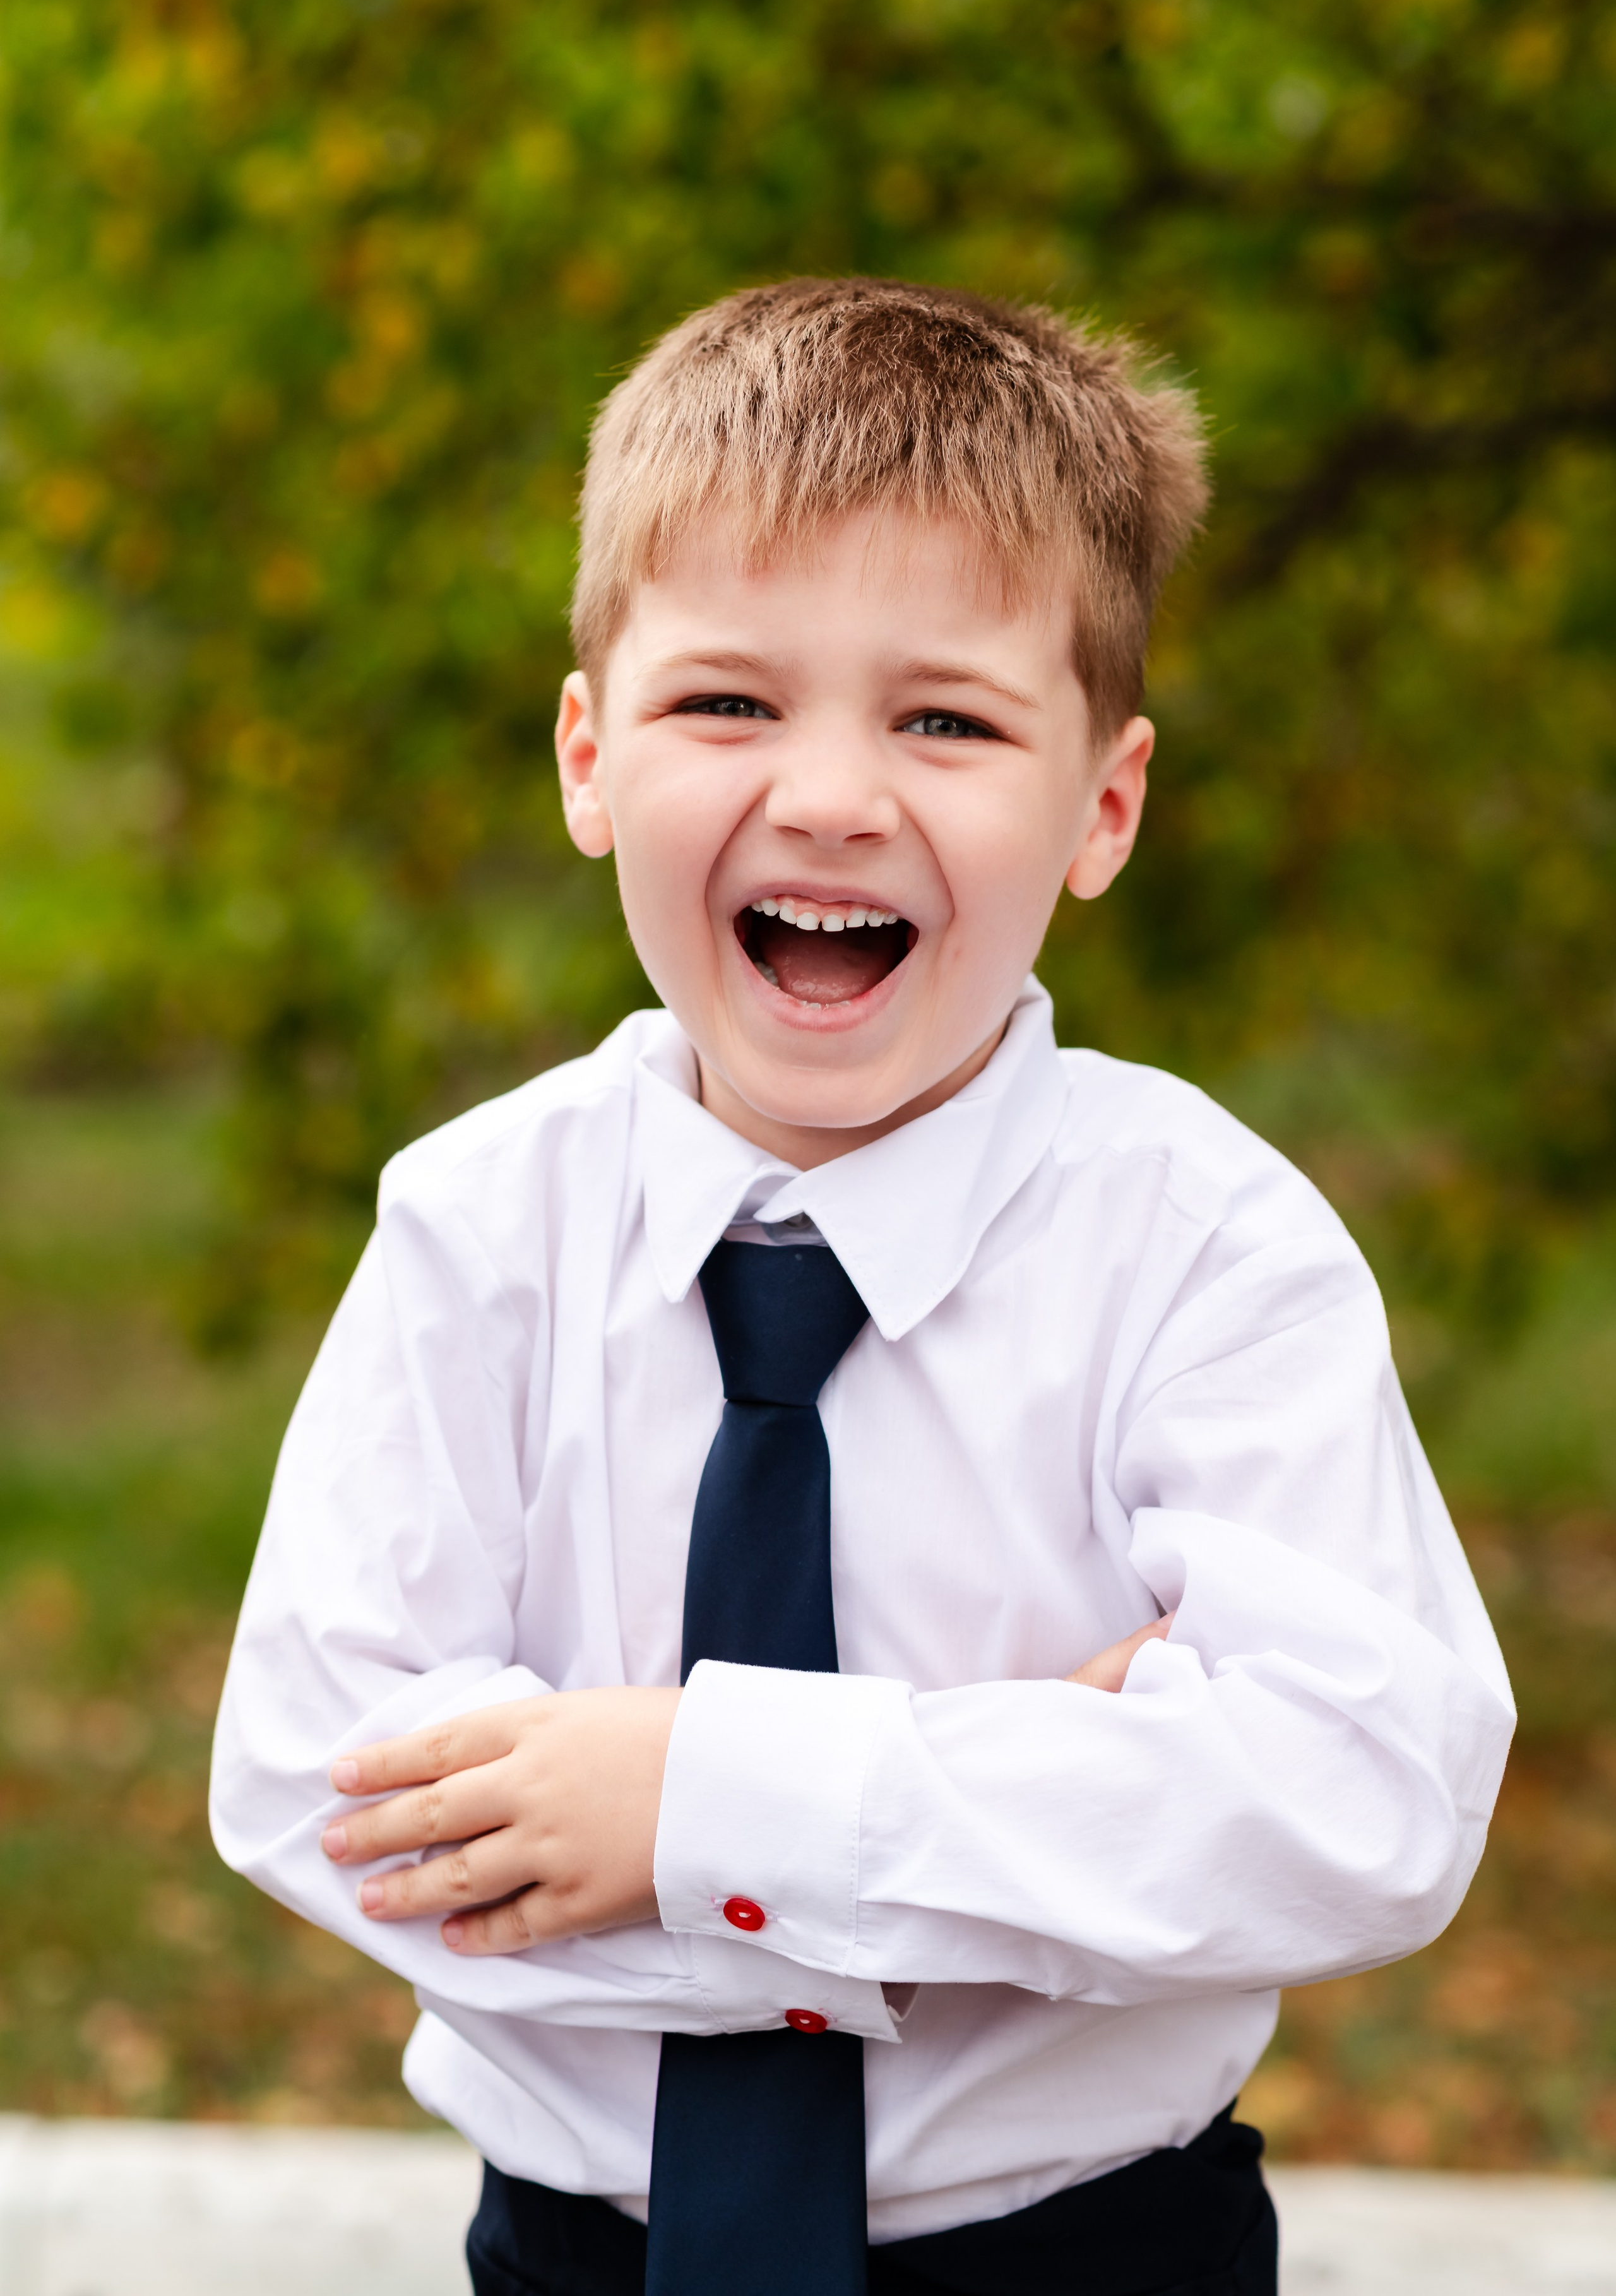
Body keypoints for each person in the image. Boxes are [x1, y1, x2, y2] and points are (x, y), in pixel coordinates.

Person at [210, 278, 1514, 2296]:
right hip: (580, 2257)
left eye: (947, 718)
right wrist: (1024, 1783)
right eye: (728, 701)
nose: (828, 794)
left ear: (1103, 805)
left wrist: (693, 1800)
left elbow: (1364, 1792)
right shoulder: (478, 1231)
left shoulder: (1205, 1248)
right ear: (588, 756)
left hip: (1088, 2257)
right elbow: (324, 1777)